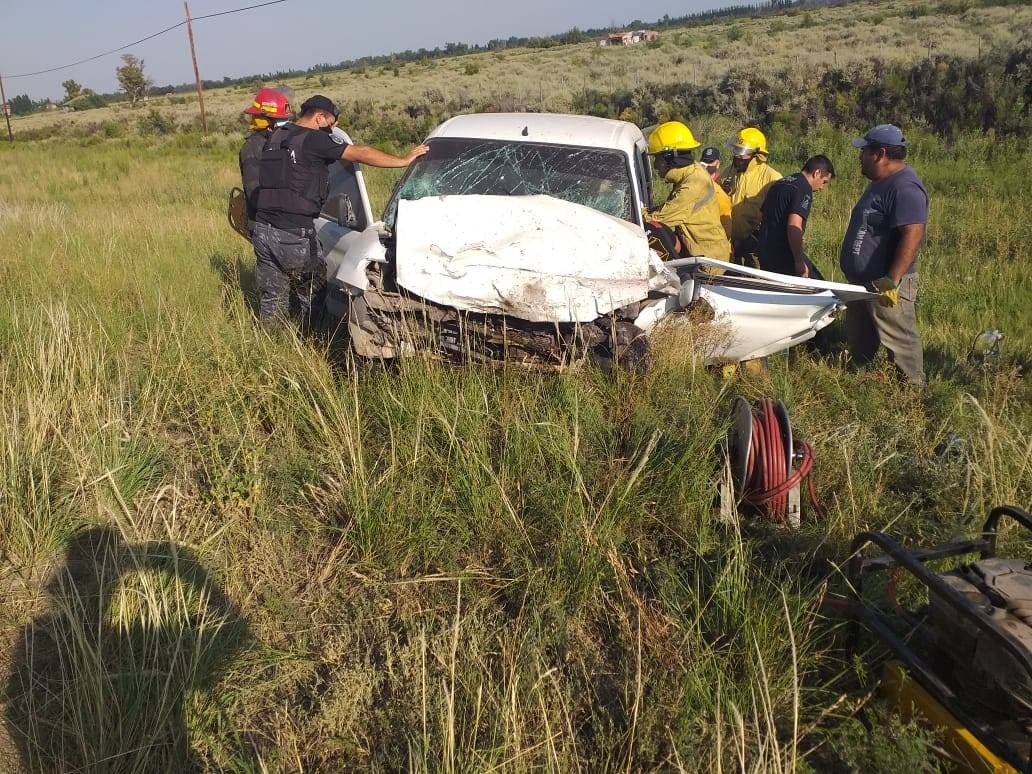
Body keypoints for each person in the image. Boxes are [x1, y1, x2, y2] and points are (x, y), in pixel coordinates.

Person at [253, 95, 429, 327]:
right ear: (319, 118)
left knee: (272, 297)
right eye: (331, 124)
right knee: (315, 292)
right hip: (294, 234)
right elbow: (361, 152)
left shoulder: (277, 136)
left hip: (263, 231)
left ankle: (269, 343)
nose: (332, 130)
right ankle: (314, 344)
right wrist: (403, 160)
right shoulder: (314, 139)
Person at [839, 124, 928, 385]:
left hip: (887, 283)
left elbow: (913, 233)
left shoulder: (905, 188)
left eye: (864, 151)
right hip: (863, 282)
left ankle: (913, 393)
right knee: (861, 338)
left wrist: (893, 279)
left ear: (880, 154)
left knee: (899, 339)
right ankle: (861, 383)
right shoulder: (881, 182)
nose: (860, 157)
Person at [644, 121, 731, 263]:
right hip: (702, 251)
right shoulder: (692, 172)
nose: (655, 165)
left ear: (670, 157)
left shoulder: (692, 185)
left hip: (707, 261)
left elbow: (660, 218)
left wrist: (638, 214)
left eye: (657, 158)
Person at [757, 155, 835, 278]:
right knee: (819, 289)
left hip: (765, 252)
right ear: (817, 173)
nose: (822, 187)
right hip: (783, 255)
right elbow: (794, 225)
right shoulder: (804, 188)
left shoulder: (780, 183)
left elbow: (760, 216)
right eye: (824, 182)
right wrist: (799, 261)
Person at [721, 127, 782, 264]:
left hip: (755, 250)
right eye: (736, 150)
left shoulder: (772, 178)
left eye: (742, 153)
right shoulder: (728, 173)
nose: (737, 156)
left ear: (757, 155)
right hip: (728, 245)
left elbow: (778, 217)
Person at [239, 86, 294, 234]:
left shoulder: (278, 141)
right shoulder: (253, 147)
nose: (285, 123)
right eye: (281, 120)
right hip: (264, 225)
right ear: (267, 120)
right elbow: (254, 192)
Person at [700, 146, 733, 242]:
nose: (706, 164)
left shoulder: (721, 186)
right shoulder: (698, 182)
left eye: (710, 161)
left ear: (717, 164)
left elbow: (726, 222)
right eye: (704, 161)